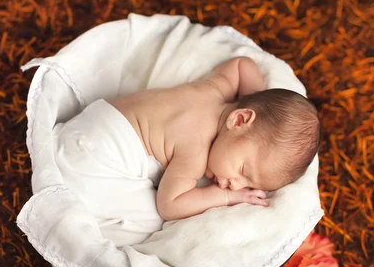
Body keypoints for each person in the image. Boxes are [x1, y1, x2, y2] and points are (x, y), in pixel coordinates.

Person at [108, 56, 321, 221]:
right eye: (243, 171)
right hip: (105, 148)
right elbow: (169, 206)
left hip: (106, 111)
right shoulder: (195, 152)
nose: (237, 187)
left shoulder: (215, 89)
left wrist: (256, 101)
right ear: (239, 120)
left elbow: (242, 65)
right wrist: (226, 198)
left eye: (245, 184)